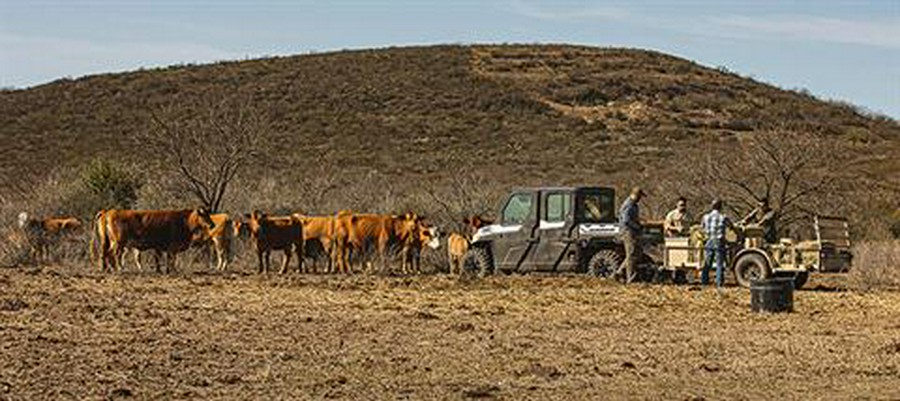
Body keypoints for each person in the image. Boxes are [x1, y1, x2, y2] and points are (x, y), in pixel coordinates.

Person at [701, 199, 733, 288]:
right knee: (719, 263)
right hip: (719, 241)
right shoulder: (723, 217)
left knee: (708, 262)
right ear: (720, 207)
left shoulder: (706, 217)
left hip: (709, 240)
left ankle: (704, 282)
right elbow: (731, 226)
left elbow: (702, 227)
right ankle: (719, 283)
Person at [617, 187, 645, 283]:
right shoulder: (628, 205)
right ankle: (631, 278)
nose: (640, 199)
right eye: (640, 196)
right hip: (628, 231)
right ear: (636, 195)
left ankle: (620, 271)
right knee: (631, 253)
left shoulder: (633, 205)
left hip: (632, 231)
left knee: (635, 253)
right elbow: (626, 220)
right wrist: (637, 226)